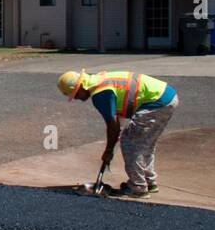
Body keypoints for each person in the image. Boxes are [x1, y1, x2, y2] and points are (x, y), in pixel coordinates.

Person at [58, 69, 178, 198]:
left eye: (76, 94)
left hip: (156, 102)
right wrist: (112, 143)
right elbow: (117, 120)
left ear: (81, 86)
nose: (77, 99)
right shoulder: (99, 79)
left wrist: (109, 150)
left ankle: (138, 187)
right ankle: (149, 182)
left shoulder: (100, 94)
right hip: (166, 97)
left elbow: (112, 125)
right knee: (145, 143)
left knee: (131, 143)